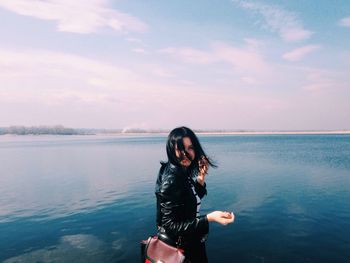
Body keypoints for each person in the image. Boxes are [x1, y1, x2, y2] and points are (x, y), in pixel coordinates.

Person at [155, 126, 235, 263]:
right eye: (180, 148)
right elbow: (169, 225)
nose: (186, 153)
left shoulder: (178, 171)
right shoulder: (172, 179)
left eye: (190, 148)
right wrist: (209, 218)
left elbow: (188, 199)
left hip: (190, 242)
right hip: (182, 248)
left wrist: (201, 176)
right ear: (171, 149)